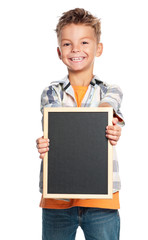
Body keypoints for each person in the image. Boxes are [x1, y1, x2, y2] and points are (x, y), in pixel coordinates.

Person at [36, 8, 125, 240]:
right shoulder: (51, 92)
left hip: (101, 201)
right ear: (59, 52)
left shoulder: (110, 90)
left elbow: (108, 108)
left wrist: (112, 129)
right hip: (58, 200)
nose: (76, 49)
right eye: (67, 44)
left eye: (84, 42)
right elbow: (56, 124)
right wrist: (46, 143)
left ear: (99, 48)